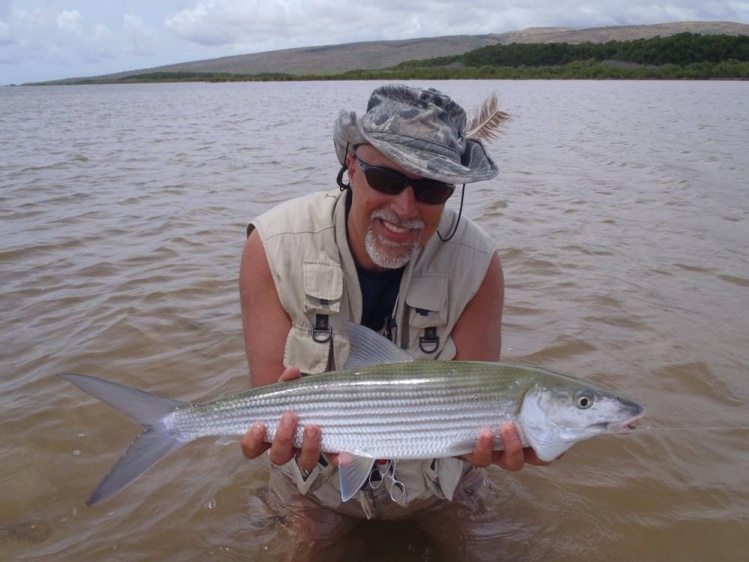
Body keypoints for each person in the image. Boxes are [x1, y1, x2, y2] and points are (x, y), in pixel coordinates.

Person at [238, 84, 549, 560]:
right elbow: (269, 409)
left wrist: (522, 440)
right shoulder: (272, 245)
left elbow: (478, 407)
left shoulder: (480, 264)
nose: (405, 209)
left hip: (440, 489)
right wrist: (280, 439)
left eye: (431, 189)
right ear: (350, 166)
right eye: (385, 178)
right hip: (313, 487)